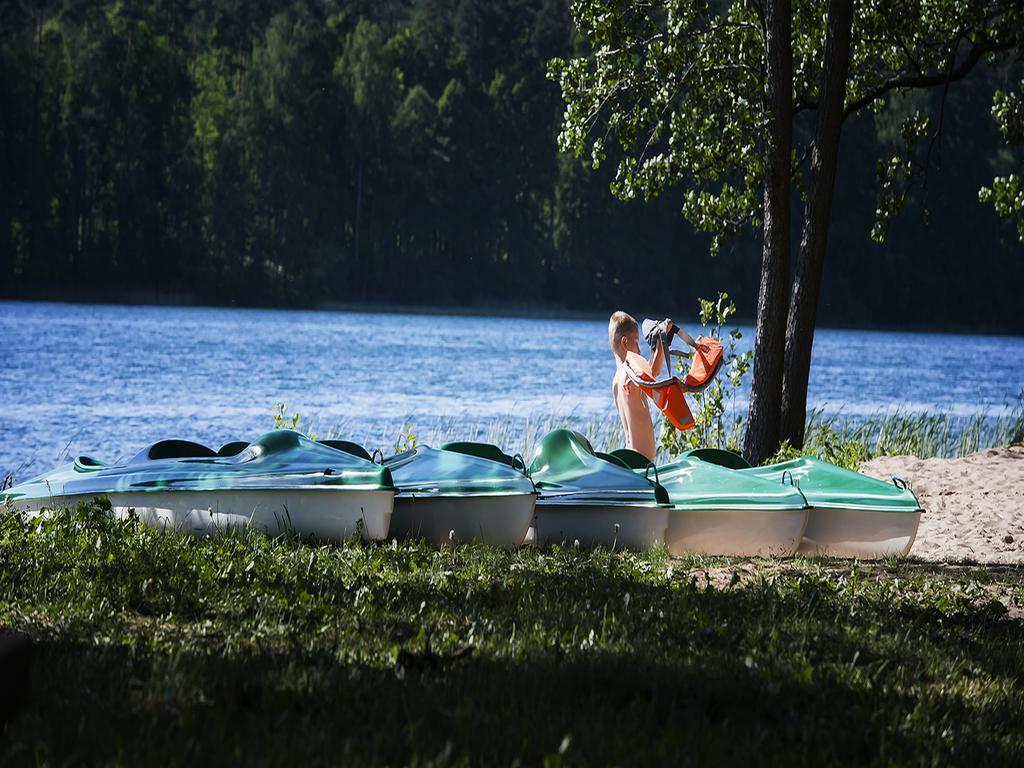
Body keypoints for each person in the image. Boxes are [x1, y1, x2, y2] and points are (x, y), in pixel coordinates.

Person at [608, 311, 675, 461]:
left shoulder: (617, 380)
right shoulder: (630, 374)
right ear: (625, 342)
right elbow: (654, 371)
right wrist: (661, 339)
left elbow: (647, 372)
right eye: (637, 343)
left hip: (630, 460)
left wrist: (654, 350)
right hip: (642, 463)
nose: (639, 349)